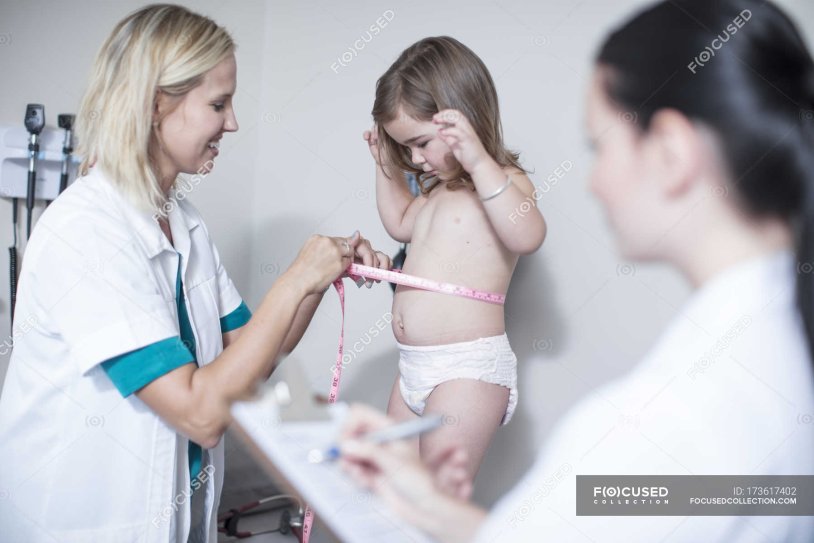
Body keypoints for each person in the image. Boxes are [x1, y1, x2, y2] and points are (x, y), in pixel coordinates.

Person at [340, 1, 814, 541]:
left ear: (672, 152)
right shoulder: (767, 355)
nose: (590, 182)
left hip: (464, 370)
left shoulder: (679, 416)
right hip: (417, 369)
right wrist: (431, 506)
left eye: (599, 147)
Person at [0, 5, 390, 542]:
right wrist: (295, 278)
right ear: (157, 103)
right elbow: (201, 414)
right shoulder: (87, 232)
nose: (231, 122)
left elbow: (256, 354)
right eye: (218, 104)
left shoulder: (183, 223)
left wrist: (323, 273)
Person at [362, 36, 547, 493]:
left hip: (466, 370)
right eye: (405, 148)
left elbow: (529, 234)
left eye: (421, 143)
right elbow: (401, 224)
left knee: (436, 500)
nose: (416, 159)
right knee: (391, 492)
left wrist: (480, 161)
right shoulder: (436, 193)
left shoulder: (503, 184)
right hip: (413, 368)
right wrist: (386, 167)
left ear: (461, 122)